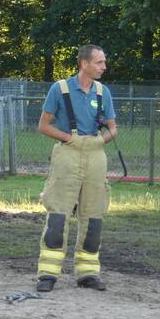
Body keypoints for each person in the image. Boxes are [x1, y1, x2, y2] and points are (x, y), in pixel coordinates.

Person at [35, 44, 117, 292]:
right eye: (100, 62)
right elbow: (43, 126)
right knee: (58, 216)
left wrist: (100, 140)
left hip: (96, 156)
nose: (104, 67)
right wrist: (69, 139)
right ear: (84, 64)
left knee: (93, 217)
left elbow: (114, 129)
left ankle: (87, 273)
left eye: (104, 62)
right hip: (67, 154)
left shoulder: (103, 92)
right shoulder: (59, 89)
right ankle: (48, 274)